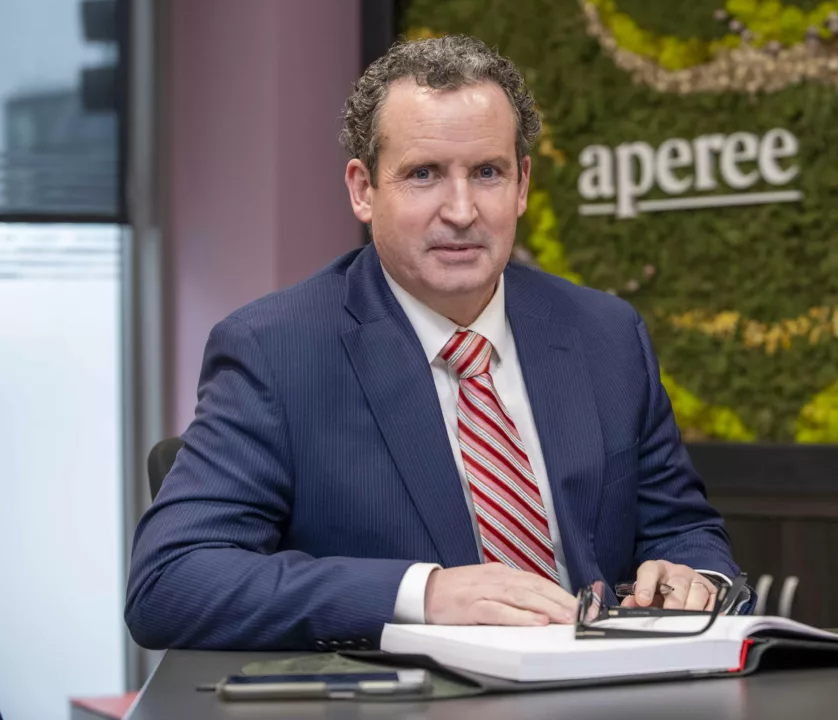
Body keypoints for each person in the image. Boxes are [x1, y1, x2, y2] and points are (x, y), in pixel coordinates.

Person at [125, 35, 739, 651]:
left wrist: (694, 579)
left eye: (488, 173)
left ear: (522, 185)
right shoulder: (275, 351)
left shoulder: (607, 334)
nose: (462, 210)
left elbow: (684, 532)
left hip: (604, 686)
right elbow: (171, 581)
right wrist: (425, 595)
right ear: (363, 189)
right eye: (424, 175)